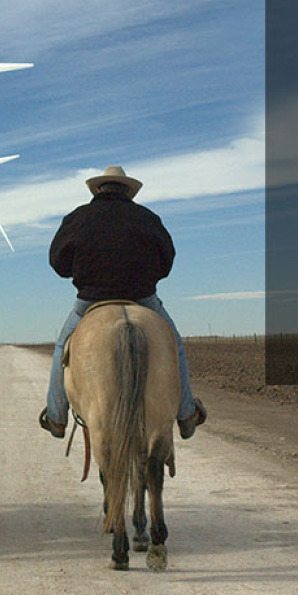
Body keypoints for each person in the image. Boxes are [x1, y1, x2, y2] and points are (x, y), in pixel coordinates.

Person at [39, 166, 206, 439]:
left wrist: (81, 270)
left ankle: (57, 417)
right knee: (175, 345)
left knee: (62, 348)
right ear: (128, 191)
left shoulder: (78, 217)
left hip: (90, 300)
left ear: (98, 189)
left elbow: (58, 262)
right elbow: (167, 262)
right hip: (142, 298)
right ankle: (186, 414)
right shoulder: (147, 218)